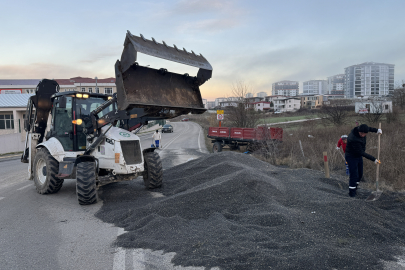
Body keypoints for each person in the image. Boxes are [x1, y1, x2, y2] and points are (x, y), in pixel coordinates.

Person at [345, 124, 382, 197]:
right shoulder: (353, 139)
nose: (363, 135)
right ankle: (352, 194)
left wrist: (377, 130)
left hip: (358, 156)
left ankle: (355, 188)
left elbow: (369, 128)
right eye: (361, 133)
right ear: (359, 131)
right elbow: (361, 152)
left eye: (364, 133)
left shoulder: (362, 129)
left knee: (360, 174)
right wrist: (374, 159)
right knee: (354, 175)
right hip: (351, 156)